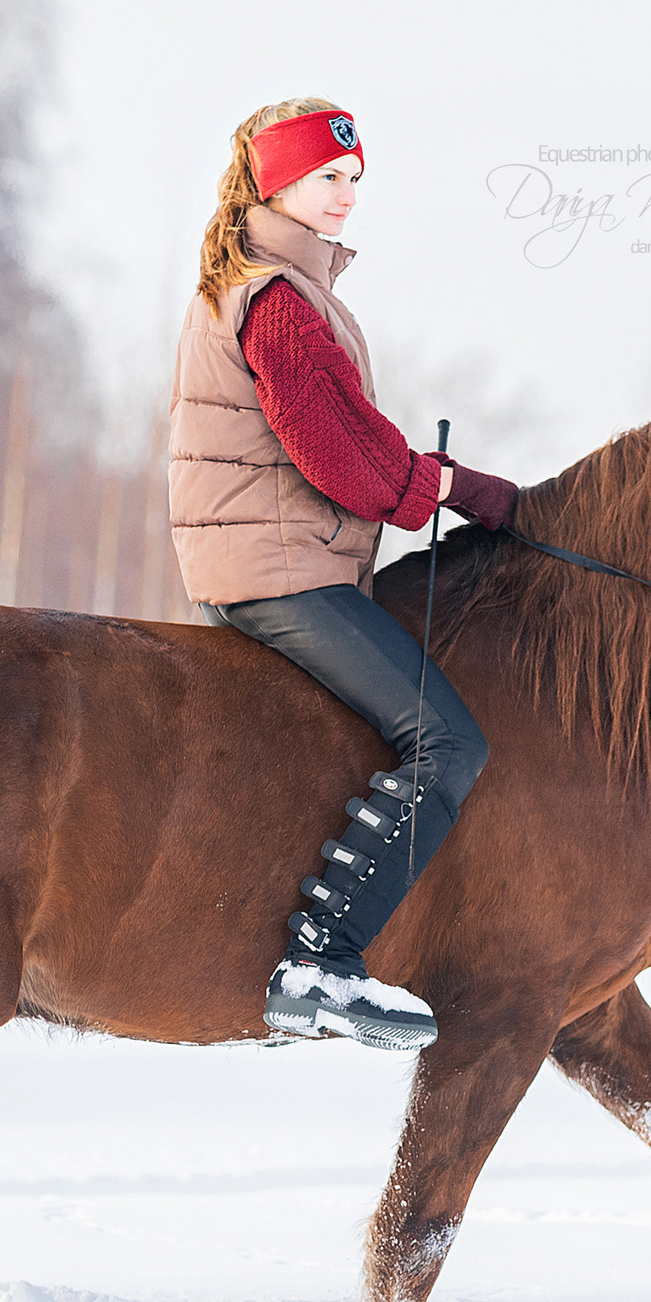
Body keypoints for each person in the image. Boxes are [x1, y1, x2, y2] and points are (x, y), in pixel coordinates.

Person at [168, 98, 518, 1052]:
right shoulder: (275, 300)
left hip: (280, 559)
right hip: (275, 569)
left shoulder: (281, 287)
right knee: (447, 743)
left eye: (355, 181)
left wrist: (439, 487)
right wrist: (454, 489)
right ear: (275, 181)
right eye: (329, 177)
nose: (346, 196)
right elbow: (341, 459)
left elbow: (355, 443)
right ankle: (321, 958)